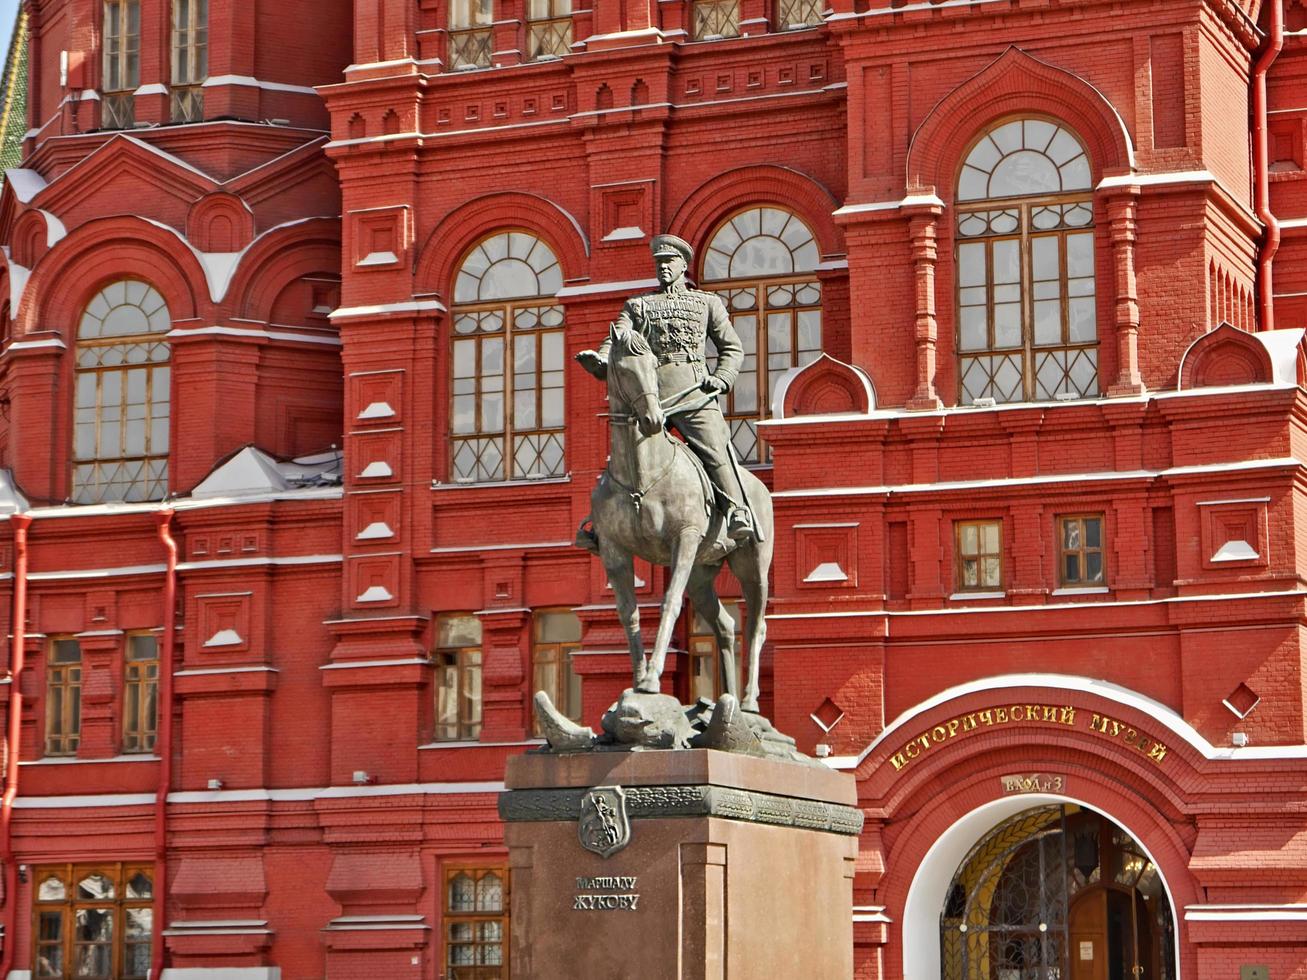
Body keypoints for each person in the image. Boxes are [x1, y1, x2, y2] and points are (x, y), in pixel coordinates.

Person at [576, 233, 755, 546]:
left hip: (694, 393)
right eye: (658, 263)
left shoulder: (707, 303)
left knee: (714, 447)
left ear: (683, 265)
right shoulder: (639, 305)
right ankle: (602, 526)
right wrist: (601, 359)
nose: (663, 268)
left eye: (669, 262)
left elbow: (732, 347)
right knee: (624, 453)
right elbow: (618, 337)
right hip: (652, 397)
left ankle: (737, 510)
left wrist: (722, 377)